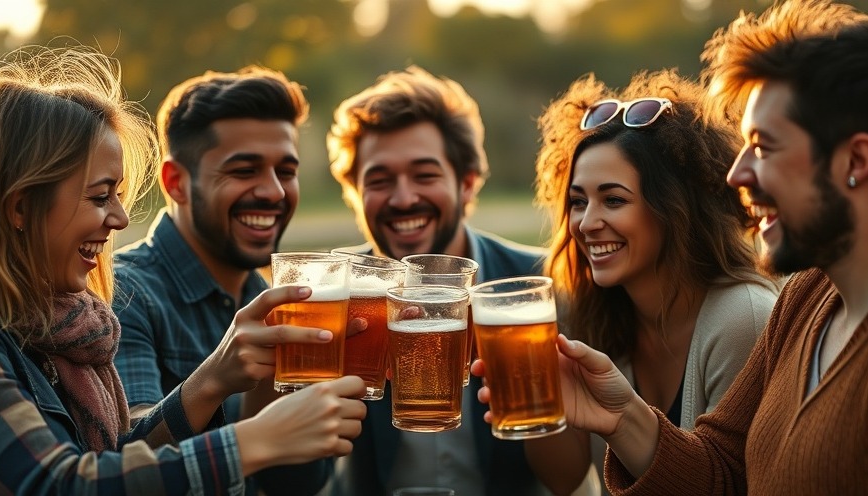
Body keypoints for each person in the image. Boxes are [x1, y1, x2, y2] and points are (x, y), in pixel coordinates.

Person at [474, 1, 868, 494]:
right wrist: (621, 417)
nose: (736, 174)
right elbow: (725, 474)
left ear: (857, 158)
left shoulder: (749, 312)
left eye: (764, 147)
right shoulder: (804, 299)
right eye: (577, 201)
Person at [0, 44, 366, 493]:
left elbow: (120, 460)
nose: (121, 219)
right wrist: (252, 439)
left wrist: (215, 379)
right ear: (20, 207)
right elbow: (60, 484)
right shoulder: (122, 297)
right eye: (99, 196)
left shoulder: (60, 328)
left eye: (119, 195)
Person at [525, 68, 779, 495]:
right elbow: (565, 479)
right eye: (578, 201)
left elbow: (730, 485)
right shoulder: (591, 314)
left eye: (614, 200)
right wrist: (534, 395)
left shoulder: (742, 317)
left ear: (674, 210)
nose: (587, 223)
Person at [111, 65, 353, 493]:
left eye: (287, 171)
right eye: (245, 171)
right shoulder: (124, 293)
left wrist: (285, 385)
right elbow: (130, 461)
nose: (275, 192)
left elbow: (293, 485)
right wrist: (213, 380)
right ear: (176, 182)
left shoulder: (272, 299)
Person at [326, 65, 548, 495]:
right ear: (354, 194)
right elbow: (294, 478)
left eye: (425, 175)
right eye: (379, 180)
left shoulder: (537, 283)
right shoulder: (334, 291)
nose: (404, 198)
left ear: (466, 184)